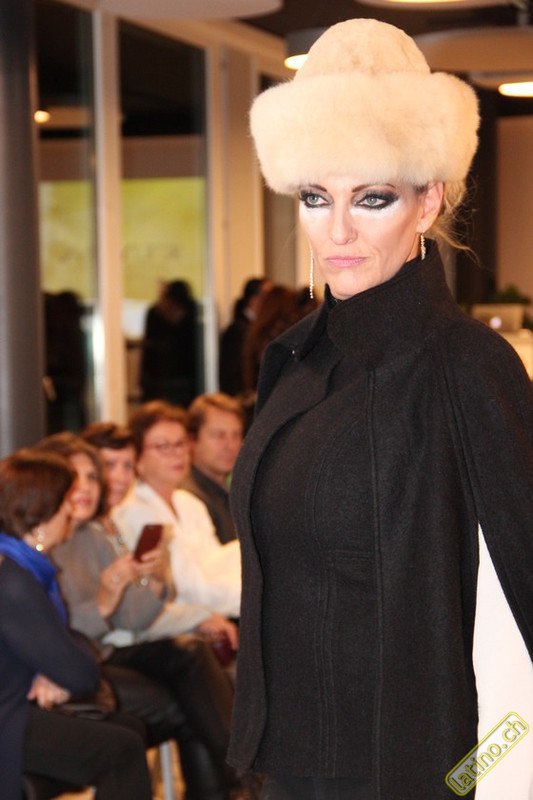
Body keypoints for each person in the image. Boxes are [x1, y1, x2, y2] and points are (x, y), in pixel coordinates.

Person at [227, 18, 533, 800]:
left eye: (371, 198)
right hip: (291, 754)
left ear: (427, 202)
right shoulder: (290, 360)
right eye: (314, 196)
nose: (335, 231)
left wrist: (486, 771)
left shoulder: (464, 366)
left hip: (410, 767)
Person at [39, 432, 244, 800]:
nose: (87, 486)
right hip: (80, 663)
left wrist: (154, 578)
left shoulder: (93, 533)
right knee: (191, 696)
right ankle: (241, 781)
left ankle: (239, 782)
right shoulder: (47, 540)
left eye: (92, 476)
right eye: (76, 475)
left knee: (191, 656)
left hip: (104, 652)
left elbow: (134, 616)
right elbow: (57, 630)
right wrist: (106, 601)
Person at [0, 449, 152, 800]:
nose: (71, 511)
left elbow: (67, 645)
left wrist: (50, 669)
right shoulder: (14, 580)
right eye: (64, 502)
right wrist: (56, 668)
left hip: (17, 704)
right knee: (122, 750)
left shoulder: (20, 566)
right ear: (40, 515)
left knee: (128, 730)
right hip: (10, 716)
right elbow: (81, 671)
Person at [114, 401, 242, 619]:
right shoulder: (134, 511)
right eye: (163, 446)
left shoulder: (190, 503)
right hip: (179, 621)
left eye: (181, 444)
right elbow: (184, 589)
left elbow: (216, 567)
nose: (177, 454)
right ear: (138, 458)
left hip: (220, 608)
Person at [181, 393, 245, 544]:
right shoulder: (189, 498)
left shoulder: (232, 490)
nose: (230, 446)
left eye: (236, 435)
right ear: (192, 440)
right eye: (219, 435)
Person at [140, 279, 198, 406]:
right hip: (162, 383)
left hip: (185, 384)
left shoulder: (194, 323)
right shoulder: (156, 318)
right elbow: (149, 356)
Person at [219, 277, 272, 396]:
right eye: (268, 298)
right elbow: (231, 373)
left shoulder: (257, 327)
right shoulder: (238, 330)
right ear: (254, 300)